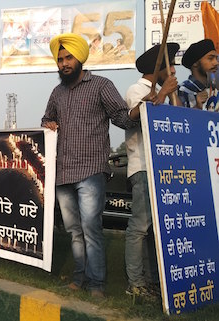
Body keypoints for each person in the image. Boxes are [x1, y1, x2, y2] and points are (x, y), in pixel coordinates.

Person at [41, 33, 139, 298]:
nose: (63, 63)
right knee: (74, 231)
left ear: (80, 58)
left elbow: (122, 117)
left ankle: (97, 285)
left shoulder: (101, 85)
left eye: (68, 57)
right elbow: (46, 118)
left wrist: (140, 110)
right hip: (63, 173)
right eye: (60, 59)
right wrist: (47, 123)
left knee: (91, 229)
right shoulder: (57, 92)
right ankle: (79, 278)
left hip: (91, 170)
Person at [124, 43, 179, 299]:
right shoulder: (137, 90)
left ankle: (152, 280)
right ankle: (135, 283)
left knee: (153, 230)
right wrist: (164, 93)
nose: (173, 69)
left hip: (160, 169)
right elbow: (142, 116)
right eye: (168, 64)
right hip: (144, 167)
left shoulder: (161, 92)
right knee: (139, 227)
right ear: (157, 68)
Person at [178, 39, 219, 111]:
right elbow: (179, 118)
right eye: (210, 58)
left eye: (216, 58)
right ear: (195, 63)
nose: (216, 63)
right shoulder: (183, 90)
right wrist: (197, 106)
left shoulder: (214, 90)